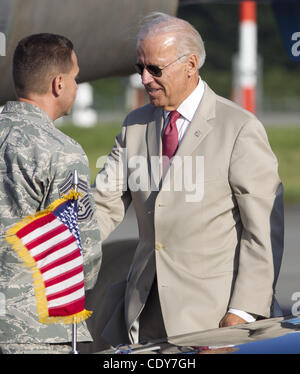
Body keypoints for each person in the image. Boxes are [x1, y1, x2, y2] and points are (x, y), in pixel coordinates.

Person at [93, 12, 284, 346]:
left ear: (191, 65)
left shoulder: (238, 128)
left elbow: (263, 231)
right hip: (143, 315)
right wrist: (54, 256)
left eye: (155, 68)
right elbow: (103, 204)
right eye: (140, 68)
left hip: (214, 321)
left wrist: (241, 313)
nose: (145, 79)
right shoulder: (134, 125)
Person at [0, 33, 102, 354]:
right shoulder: (61, 152)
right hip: (34, 332)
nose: (76, 85)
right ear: (59, 84)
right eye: (76, 77)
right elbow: (82, 252)